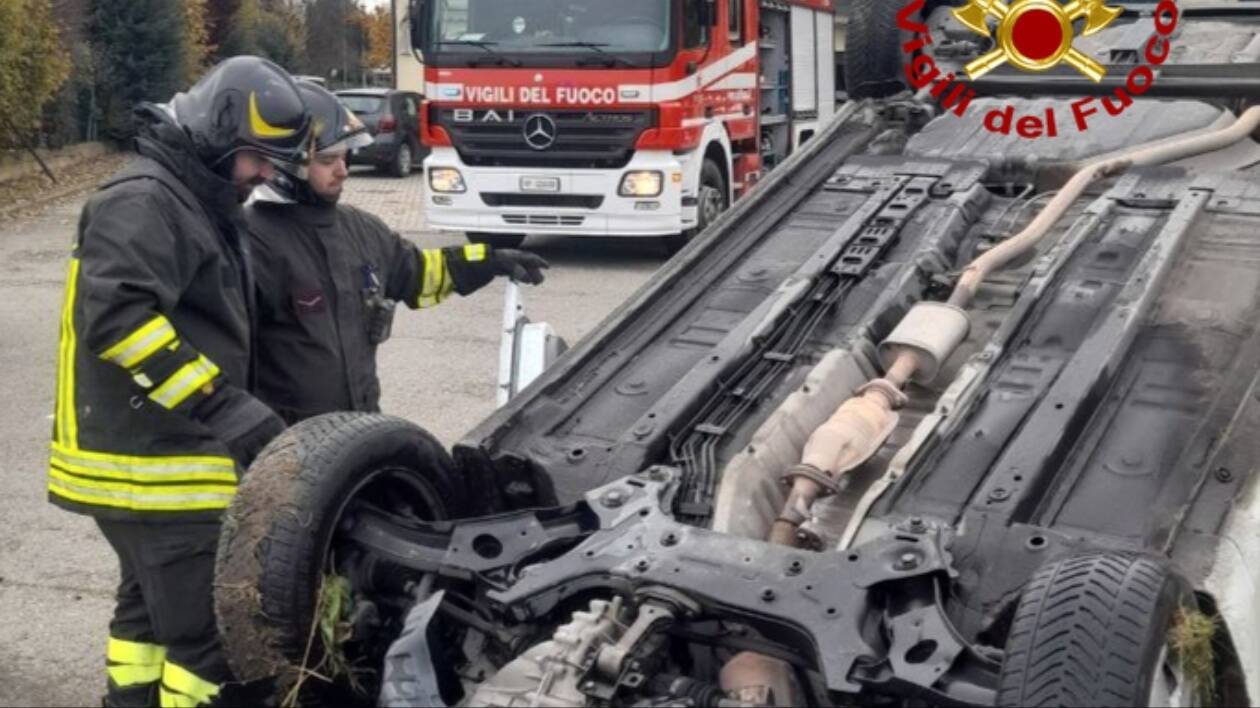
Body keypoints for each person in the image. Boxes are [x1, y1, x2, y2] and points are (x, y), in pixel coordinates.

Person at [48, 56, 311, 707]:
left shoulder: (190, 196)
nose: (264, 175)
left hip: (147, 461)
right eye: (256, 158)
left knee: (144, 621)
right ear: (221, 136)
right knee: (207, 641)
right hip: (157, 466)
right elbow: (119, 319)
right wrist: (219, 403)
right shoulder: (144, 200)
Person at [245, 82, 550, 424]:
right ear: (285, 165)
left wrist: (489, 260)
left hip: (356, 438)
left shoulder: (361, 229)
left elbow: (417, 273)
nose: (343, 170)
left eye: (345, 156)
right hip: (283, 448)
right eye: (327, 160)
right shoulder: (248, 242)